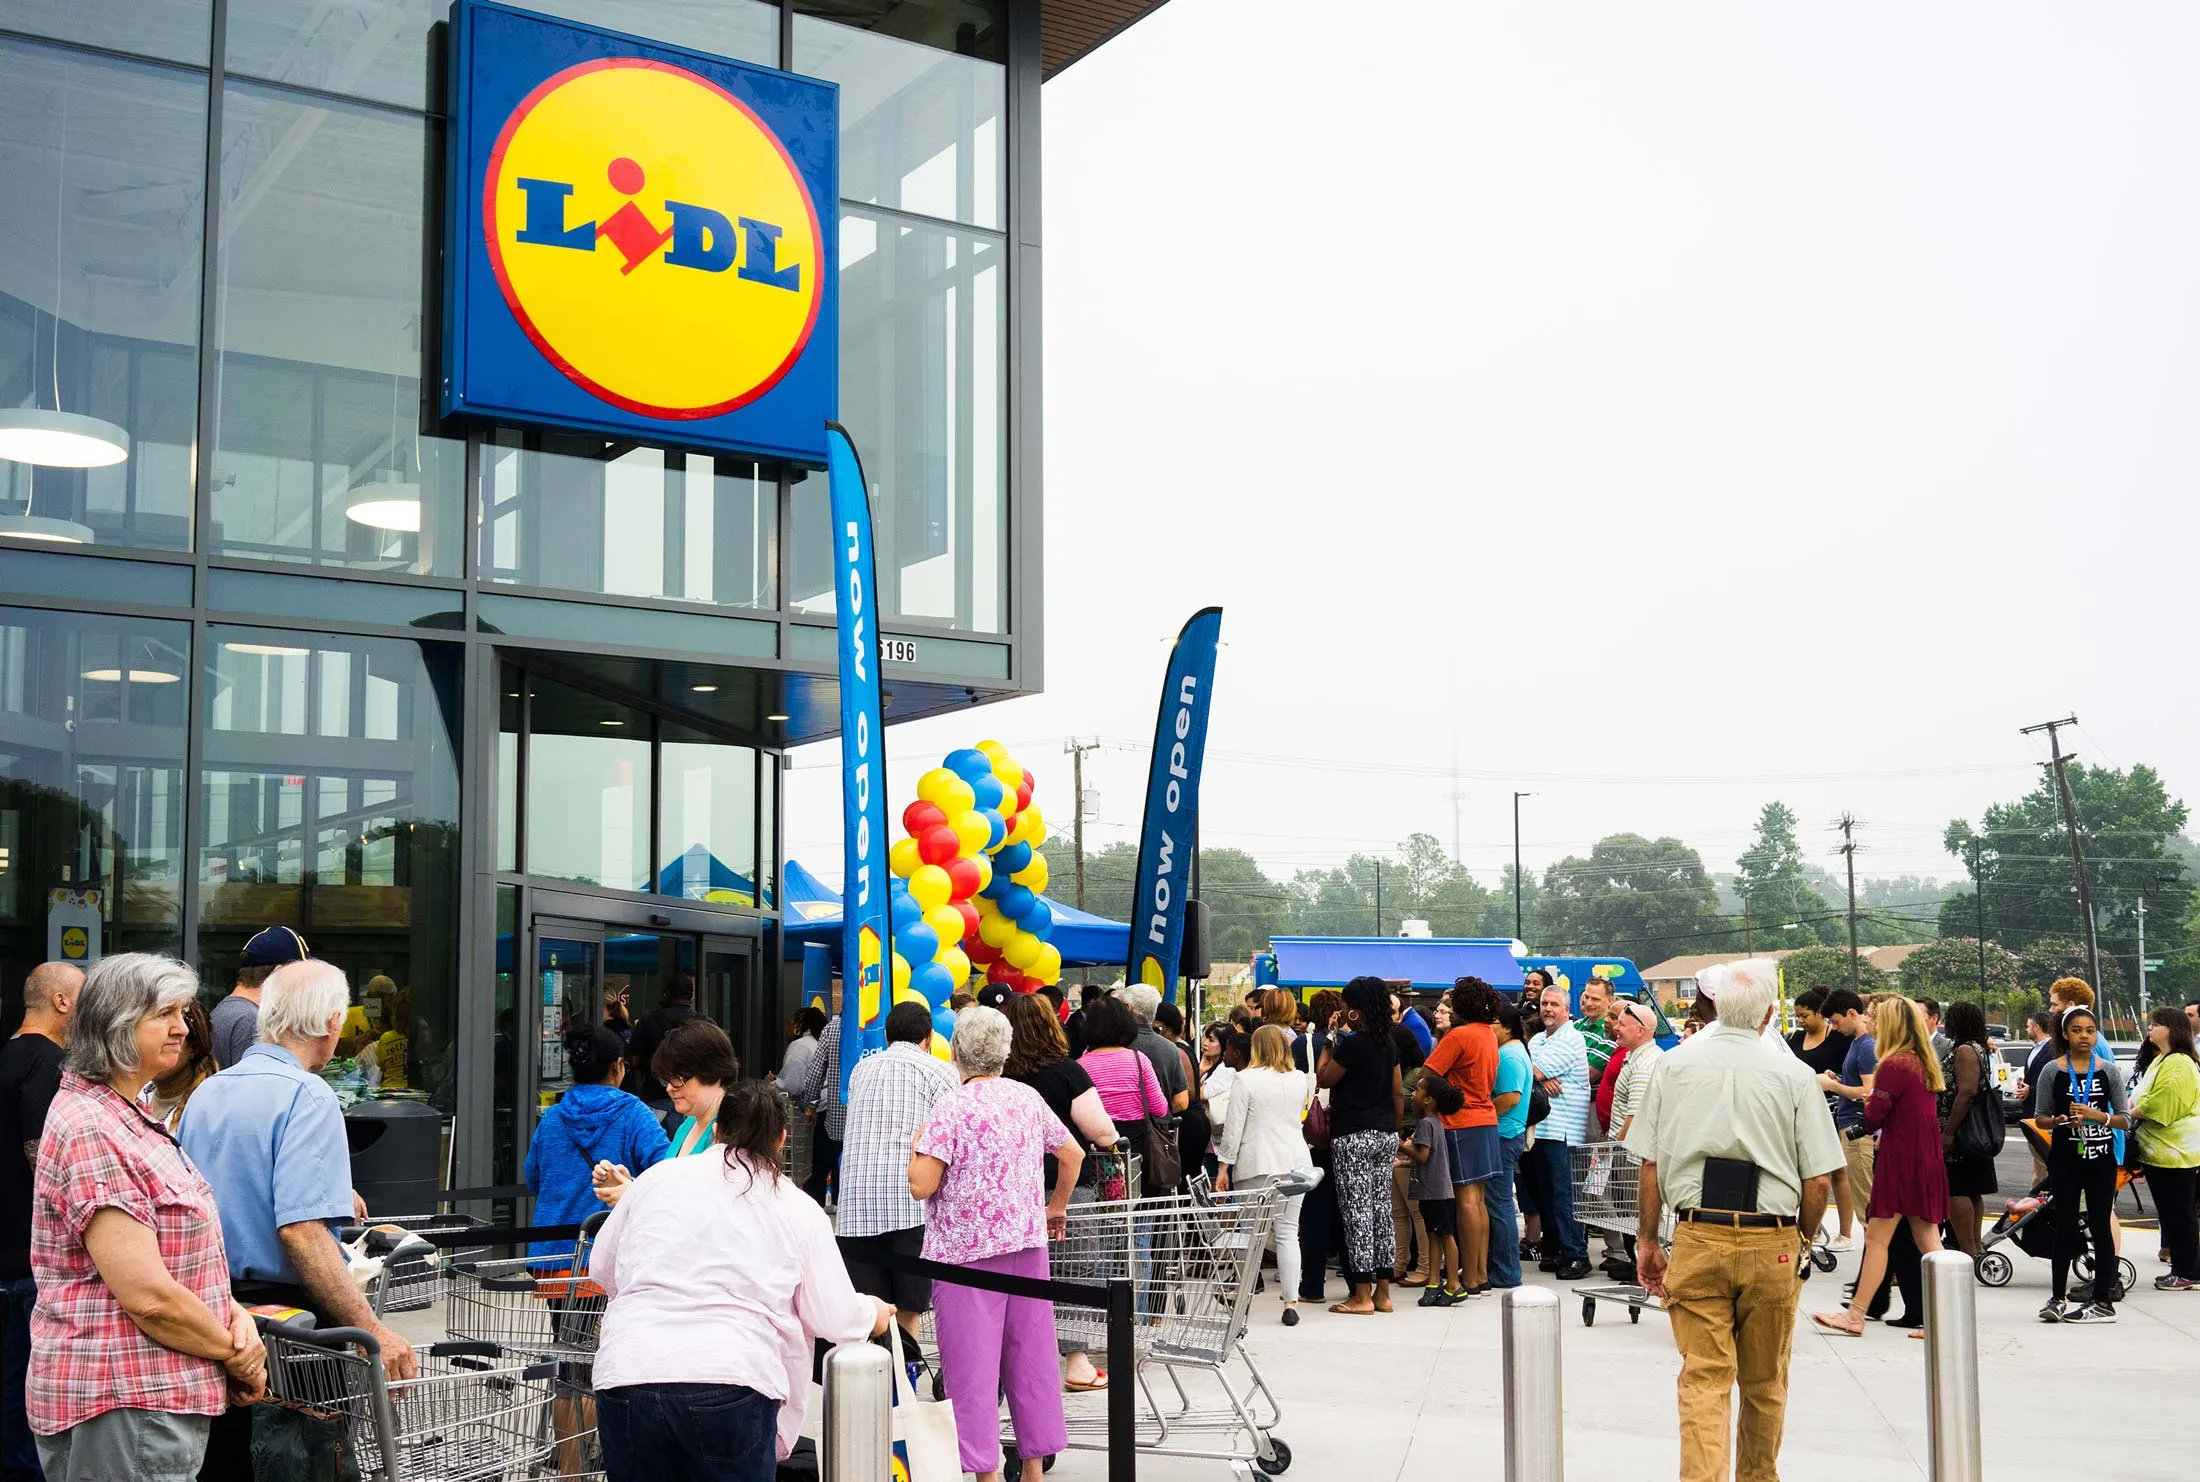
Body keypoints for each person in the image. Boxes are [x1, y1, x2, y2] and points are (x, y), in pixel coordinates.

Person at [27, 954, 267, 1481]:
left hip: (144, 1399)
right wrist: (235, 1353)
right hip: (125, 1401)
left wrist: (234, 1315)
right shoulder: (94, 1127)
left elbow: (178, 1260)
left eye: (182, 1012)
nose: (183, 1028)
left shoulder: (123, 1112)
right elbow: (148, 1297)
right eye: (164, 1014)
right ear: (116, 1023)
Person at [591, 1080, 891, 1480]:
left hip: (629, 1368)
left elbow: (602, 1267)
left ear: (717, 1130)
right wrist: (872, 1313)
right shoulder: (798, 1208)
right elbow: (834, 1317)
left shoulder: (655, 1180)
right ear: (781, 1140)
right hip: (733, 1375)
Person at [1625, 958, 1842, 1482]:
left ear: (1717, 1006)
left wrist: (1648, 1239)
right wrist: (1802, 1241)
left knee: (1703, 1378)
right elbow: (1818, 1181)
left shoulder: (1674, 1067)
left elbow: (1650, 1163)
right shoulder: (1795, 1075)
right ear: (1769, 1014)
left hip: (1699, 1232)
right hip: (1773, 1238)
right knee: (1765, 1382)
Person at [180, 960, 416, 1417]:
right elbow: (302, 1233)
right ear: (333, 1022)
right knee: (303, 1445)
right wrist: (372, 1331)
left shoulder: (208, 1092)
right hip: (291, 1324)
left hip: (214, 1308)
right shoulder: (307, 1094)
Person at [910, 1006, 1080, 1482]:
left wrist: (916, 1144)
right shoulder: (1026, 1097)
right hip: (1026, 1245)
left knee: (972, 1370)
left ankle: (984, 1473)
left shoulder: (952, 1106)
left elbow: (921, 1185)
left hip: (964, 1256)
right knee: (1032, 1359)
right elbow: (1072, 1153)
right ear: (1005, 1052)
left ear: (956, 1051)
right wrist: (1056, 1206)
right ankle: (1033, 1469)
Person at [1812, 998, 1948, 1337]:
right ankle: (1946, 1317)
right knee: (1928, 1238)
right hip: (1924, 1158)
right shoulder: (1922, 1061)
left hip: (1899, 1159)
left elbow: (1874, 1117)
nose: (1869, 1021)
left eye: (1875, 1017)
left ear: (1890, 1025)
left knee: (1876, 1239)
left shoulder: (1894, 1065)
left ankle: (1855, 1315)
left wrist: (1869, 1102)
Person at [1004, 993, 1120, 1389]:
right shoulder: (1068, 1072)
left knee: (1014, 1275)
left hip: (1012, 1188)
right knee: (1076, 1271)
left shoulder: (999, 1078)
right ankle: (1077, 1362)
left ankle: (1019, 1361)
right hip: (1067, 1187)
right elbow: (1101, 1131)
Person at [837, 1000, 960, 1364]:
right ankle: (906, 1374)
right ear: (928, 1038)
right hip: (909, 1201)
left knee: (869, 1307)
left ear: (887, 1036)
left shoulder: (861, 1069)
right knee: (909, 1304)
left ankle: (874, 1379)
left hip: (855, 1204)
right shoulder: (941, 1072)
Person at [2, 962, 78, 1482]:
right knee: (26, 1387)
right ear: (60, 1002)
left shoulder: (6, 1055)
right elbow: (44, 1159)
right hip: (28, 1260)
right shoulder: (49, 1066)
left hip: (4, 1251)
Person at [524, 1025, 668, 1258]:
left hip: (550, 1255)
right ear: (617, 1066)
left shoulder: (552, 1118)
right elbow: (666, 1172)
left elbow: (532, 1179)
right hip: (610, 1256)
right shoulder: (634, 1114)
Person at [2032, 1004, 2131, 1322]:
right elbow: (2041, 1117)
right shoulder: (2053, 1071)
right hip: (2065, 1158)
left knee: (2100, 1226)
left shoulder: (2108, 1071)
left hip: (2101, 1159)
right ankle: (2056, 1297)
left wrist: (2097, 1116)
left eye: (2090, 1030)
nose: (2084, 1036)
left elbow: (2125, 1119)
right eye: (2076, 1031)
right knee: (2065, 1224)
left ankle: (2102, 1300)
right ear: (2065, 1034)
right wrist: (2058, 1121)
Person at [1215, 1026, 1316, 1325]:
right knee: (1288, 1232)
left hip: (1256, 1162)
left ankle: (1242, 1295)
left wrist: (1224, 1167)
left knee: (1249, 1234)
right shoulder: (1299, 1079)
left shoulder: (1245, 1079)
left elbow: (1234, 1127)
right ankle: (1290, 1302)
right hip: (1295, 1161)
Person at [1316, 979, 1402, 1316]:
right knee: (1381, 1211)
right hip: (1385, 1133)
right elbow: (1397, 1092)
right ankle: (1383, 1293)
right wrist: (1394, 1130)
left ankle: (1362, 1294)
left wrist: (1330, 1040)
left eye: (1345, 1005)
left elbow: (1325, 1077)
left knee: (1357, 1214)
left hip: (1352, 1133)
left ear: (1355, 1010)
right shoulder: (1388, 1043)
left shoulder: (1352, 1045)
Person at [1424, 978, 1502, 1299]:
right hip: (1486, 1119)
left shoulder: (1459, 1035)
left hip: (1460, 1121)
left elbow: (1429, 1075)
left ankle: (1468, 1278)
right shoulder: (1488, 1034)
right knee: (1479, 1201)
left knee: (1465, 1201)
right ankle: (1480, 1274)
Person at [1524, 982, 1593, 1279]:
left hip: (1563, 1132)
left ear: (1567, 1009)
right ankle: (1554, 1250)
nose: (1548, 1009)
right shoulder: (1538, 1039)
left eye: (1554, 1004)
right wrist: (1540, 1079)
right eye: (1544, 1004)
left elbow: (1530, 1072)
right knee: (1545, 1195)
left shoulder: (1571, 1038)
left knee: (1565, 1196)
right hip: (1540, 1130)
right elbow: (1529, 1072)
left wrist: (1538, 1076)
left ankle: (1576, 1255)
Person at [1783, 986, 1858, 1249]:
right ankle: (1811, 1227)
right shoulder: (1794, 1039)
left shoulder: (1838, 1038)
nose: (1801, 1020)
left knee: (1837, 1171)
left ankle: (1845, 1233)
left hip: (1832, 1108)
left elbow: (1852, 1074)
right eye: (1798, 1016)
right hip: (1801, 1110)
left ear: (1819, 1013)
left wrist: (1834, 1082)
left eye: (1805, 1015)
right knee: (1806, 1171)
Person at [2133, 1006, 2200, 1290]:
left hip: (2175, 1153)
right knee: (2171, 1214)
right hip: (2161, 1151)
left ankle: (2189, 1272)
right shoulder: (2163, 1059)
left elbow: (2160, 1104)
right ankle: (2181, 1269)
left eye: (2156, 1024)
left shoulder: (2180, 1063)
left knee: (2179, 1214)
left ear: (2171, 1029)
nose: (2150, 1028)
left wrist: (2125, 1115)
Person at [1937, 1001, 1997, 1258]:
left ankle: (1967, 1248)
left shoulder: (1965, 1050)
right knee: (1973, 1189)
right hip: (1971, 1130)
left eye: (1950, 1019)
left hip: (1961, 1131)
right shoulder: (1978, 1047)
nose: (1946, 1024)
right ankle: (1973, 1246)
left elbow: (1967, 1092)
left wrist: (1949, 1131)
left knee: (1957, 1188)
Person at [206, 926, 307, 1073]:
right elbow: (256, 1084)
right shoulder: (251, 1020)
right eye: (300, 976)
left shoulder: (229, 1010)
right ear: (277, 974)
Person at [1816, 988, 1876, 1236]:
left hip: (1859, 1131)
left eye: (1836, 1021)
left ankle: (1877, 1257)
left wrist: (1833, 1087)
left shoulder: (1866, 1046)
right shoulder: (1858, 1044)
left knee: (1867, 1206)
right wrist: (1840, 1080)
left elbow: (1868, 1092)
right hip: (1852, 1125)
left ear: (1852, 1013)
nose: (1834, 1028)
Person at [1403, 1073, 1464, 1304]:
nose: (1413, 1094)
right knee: (1433, 1236)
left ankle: (1454, 1285)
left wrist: (1399, 1145)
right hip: (1433, 1192)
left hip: (1435, 1192)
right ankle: (1433, 1282)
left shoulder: (1426, 1124)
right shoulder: (1435, 1123)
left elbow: (1423, 1156)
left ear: (1429, 1099)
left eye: (1418, 1090)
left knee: (1445, 1236)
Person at [1487, 1003, 1533, 1290]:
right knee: (1496, 1203)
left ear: (1506, 1026)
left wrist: (1481, 1113)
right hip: (1505, 1134)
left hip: (1504, 1135)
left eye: (1492, 1023)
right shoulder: (1511, 1051)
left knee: (1499, 1204)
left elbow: (1510, 1097)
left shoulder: (1510, 1055)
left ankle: (1506, 1271)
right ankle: (1499, 1267)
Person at [792, 984, 848, 1202]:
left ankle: (830, 1204)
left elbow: (815, 1073)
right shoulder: (877, 1030)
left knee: (832, 1159)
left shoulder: (832, 1029)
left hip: (837, 1117)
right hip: (870, 1120)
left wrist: (811, 1105)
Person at [657, 1019, 741, 1159]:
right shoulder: (688, 1123)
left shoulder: (733, 1130)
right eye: (667, 1080)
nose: (670, 1088)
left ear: (712, 1072)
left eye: (678, 1079)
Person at [143, 1000, 216, 1133]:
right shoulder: (137, 1094)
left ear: (193, 1048)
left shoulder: (205, 1110)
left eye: (171, 1041)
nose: (155, 1049)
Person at [624, 972, 700, 1099]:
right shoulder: (706, 1024)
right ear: (691, 996)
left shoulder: (648, 1021)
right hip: (695, 1097)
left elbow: (634, 1061)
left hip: (656, 1096)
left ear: (667, 994)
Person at [1120, 985, 1190, 1116]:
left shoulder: (1115, 1045)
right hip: (1160, 1125)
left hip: (1118, 1124)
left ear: (1128, 1008)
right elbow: (1181, 1102)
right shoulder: (1170, 1048)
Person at [776, 1005, 827, 1092]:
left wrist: (769, 1085)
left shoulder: (800, 1046)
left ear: (798, 1025)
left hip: (812, 1100)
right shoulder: (819, 1042)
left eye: (789, 1024)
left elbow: (788, 1087)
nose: (786, 1029)